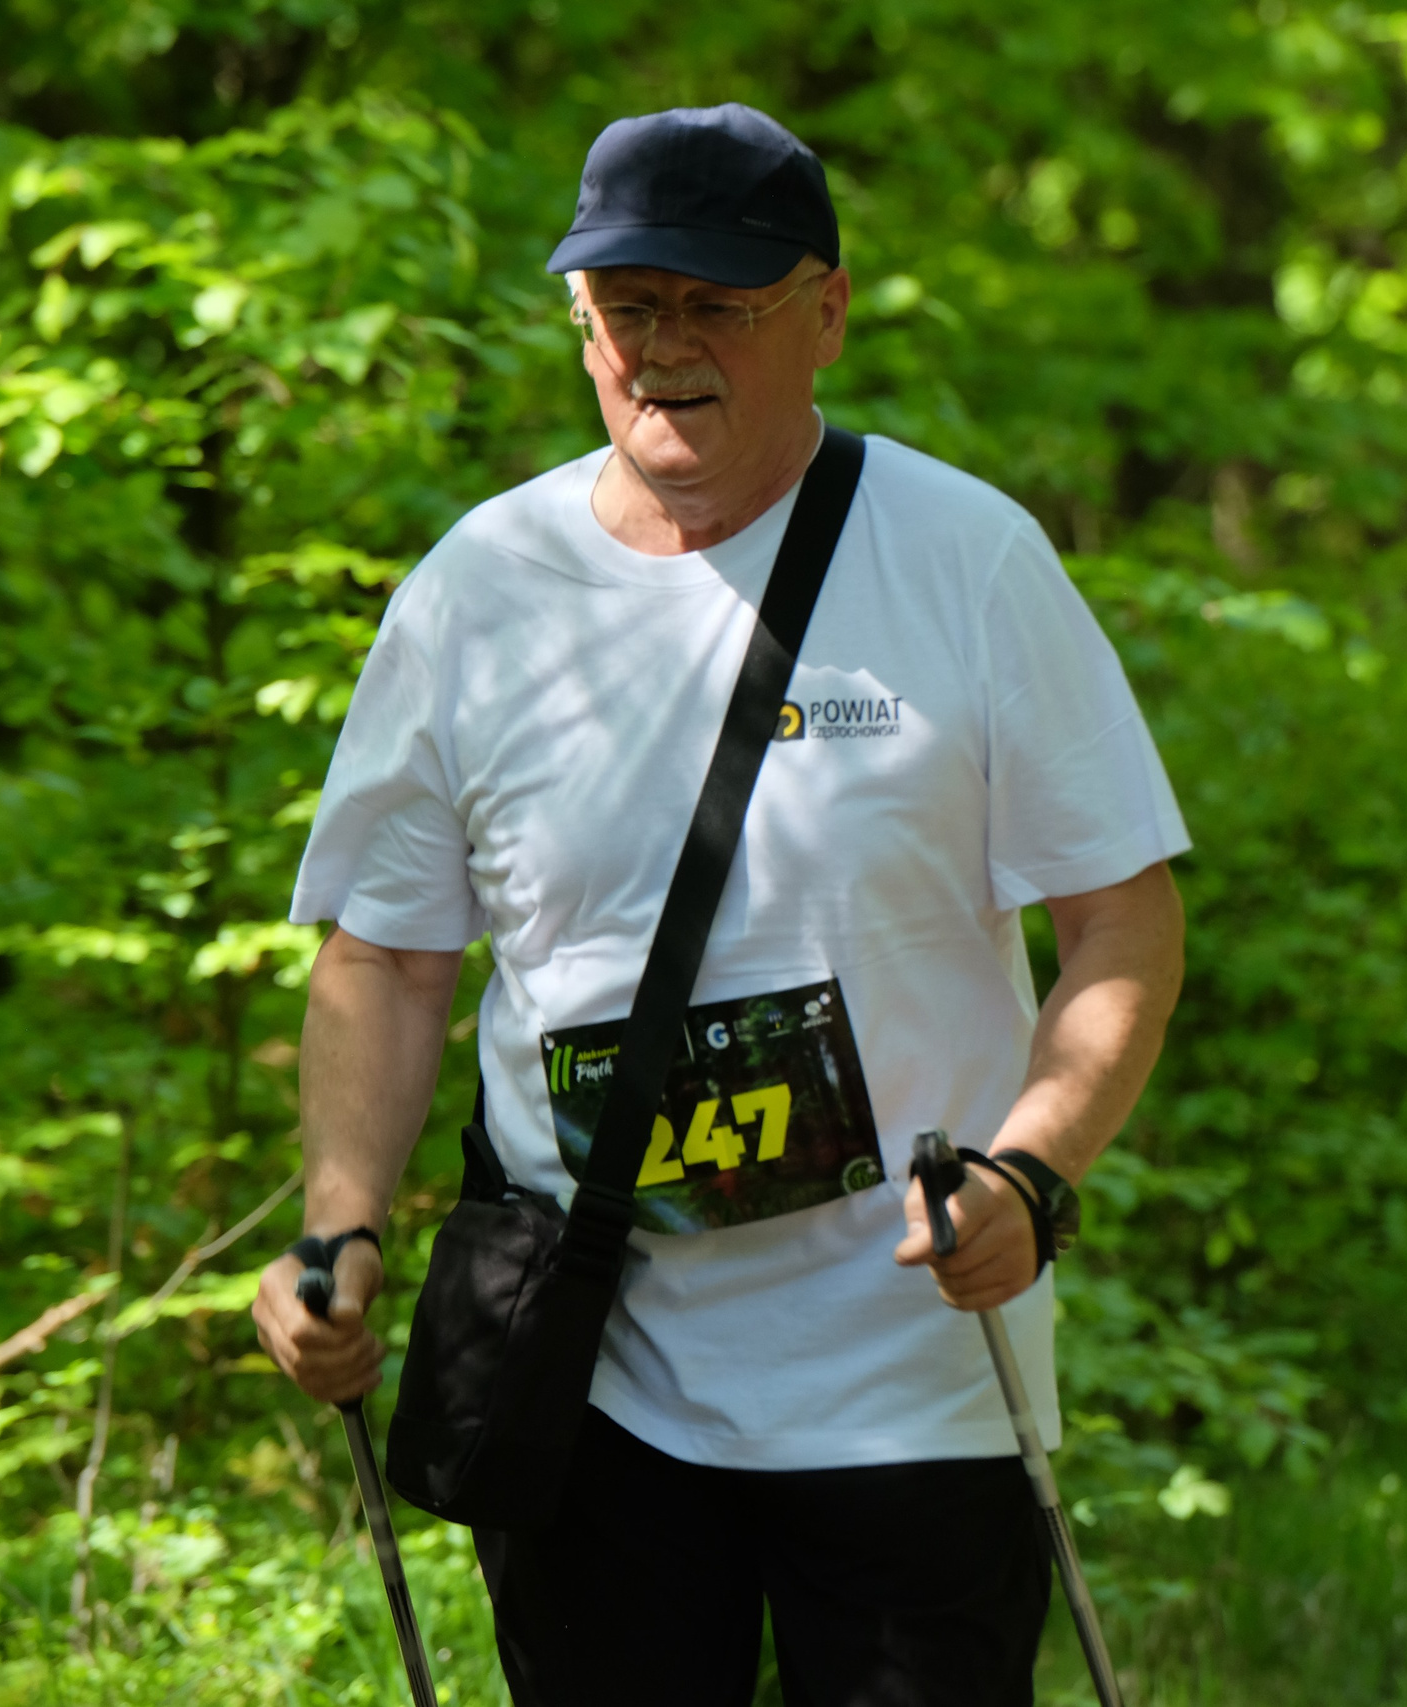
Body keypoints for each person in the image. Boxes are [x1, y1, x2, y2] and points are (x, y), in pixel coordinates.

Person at [246, 104, 1189, 1705]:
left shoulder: (967, 559)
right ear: (578, 321)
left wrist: (1037, 1170)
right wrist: (336, 1226)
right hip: (588, 1372)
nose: (664, 347)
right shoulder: (479, 591)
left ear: (825, 310)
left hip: (911, 1371)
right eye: (628, 307)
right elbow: (388, 958)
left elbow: (1125, 922)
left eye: (716, 304)